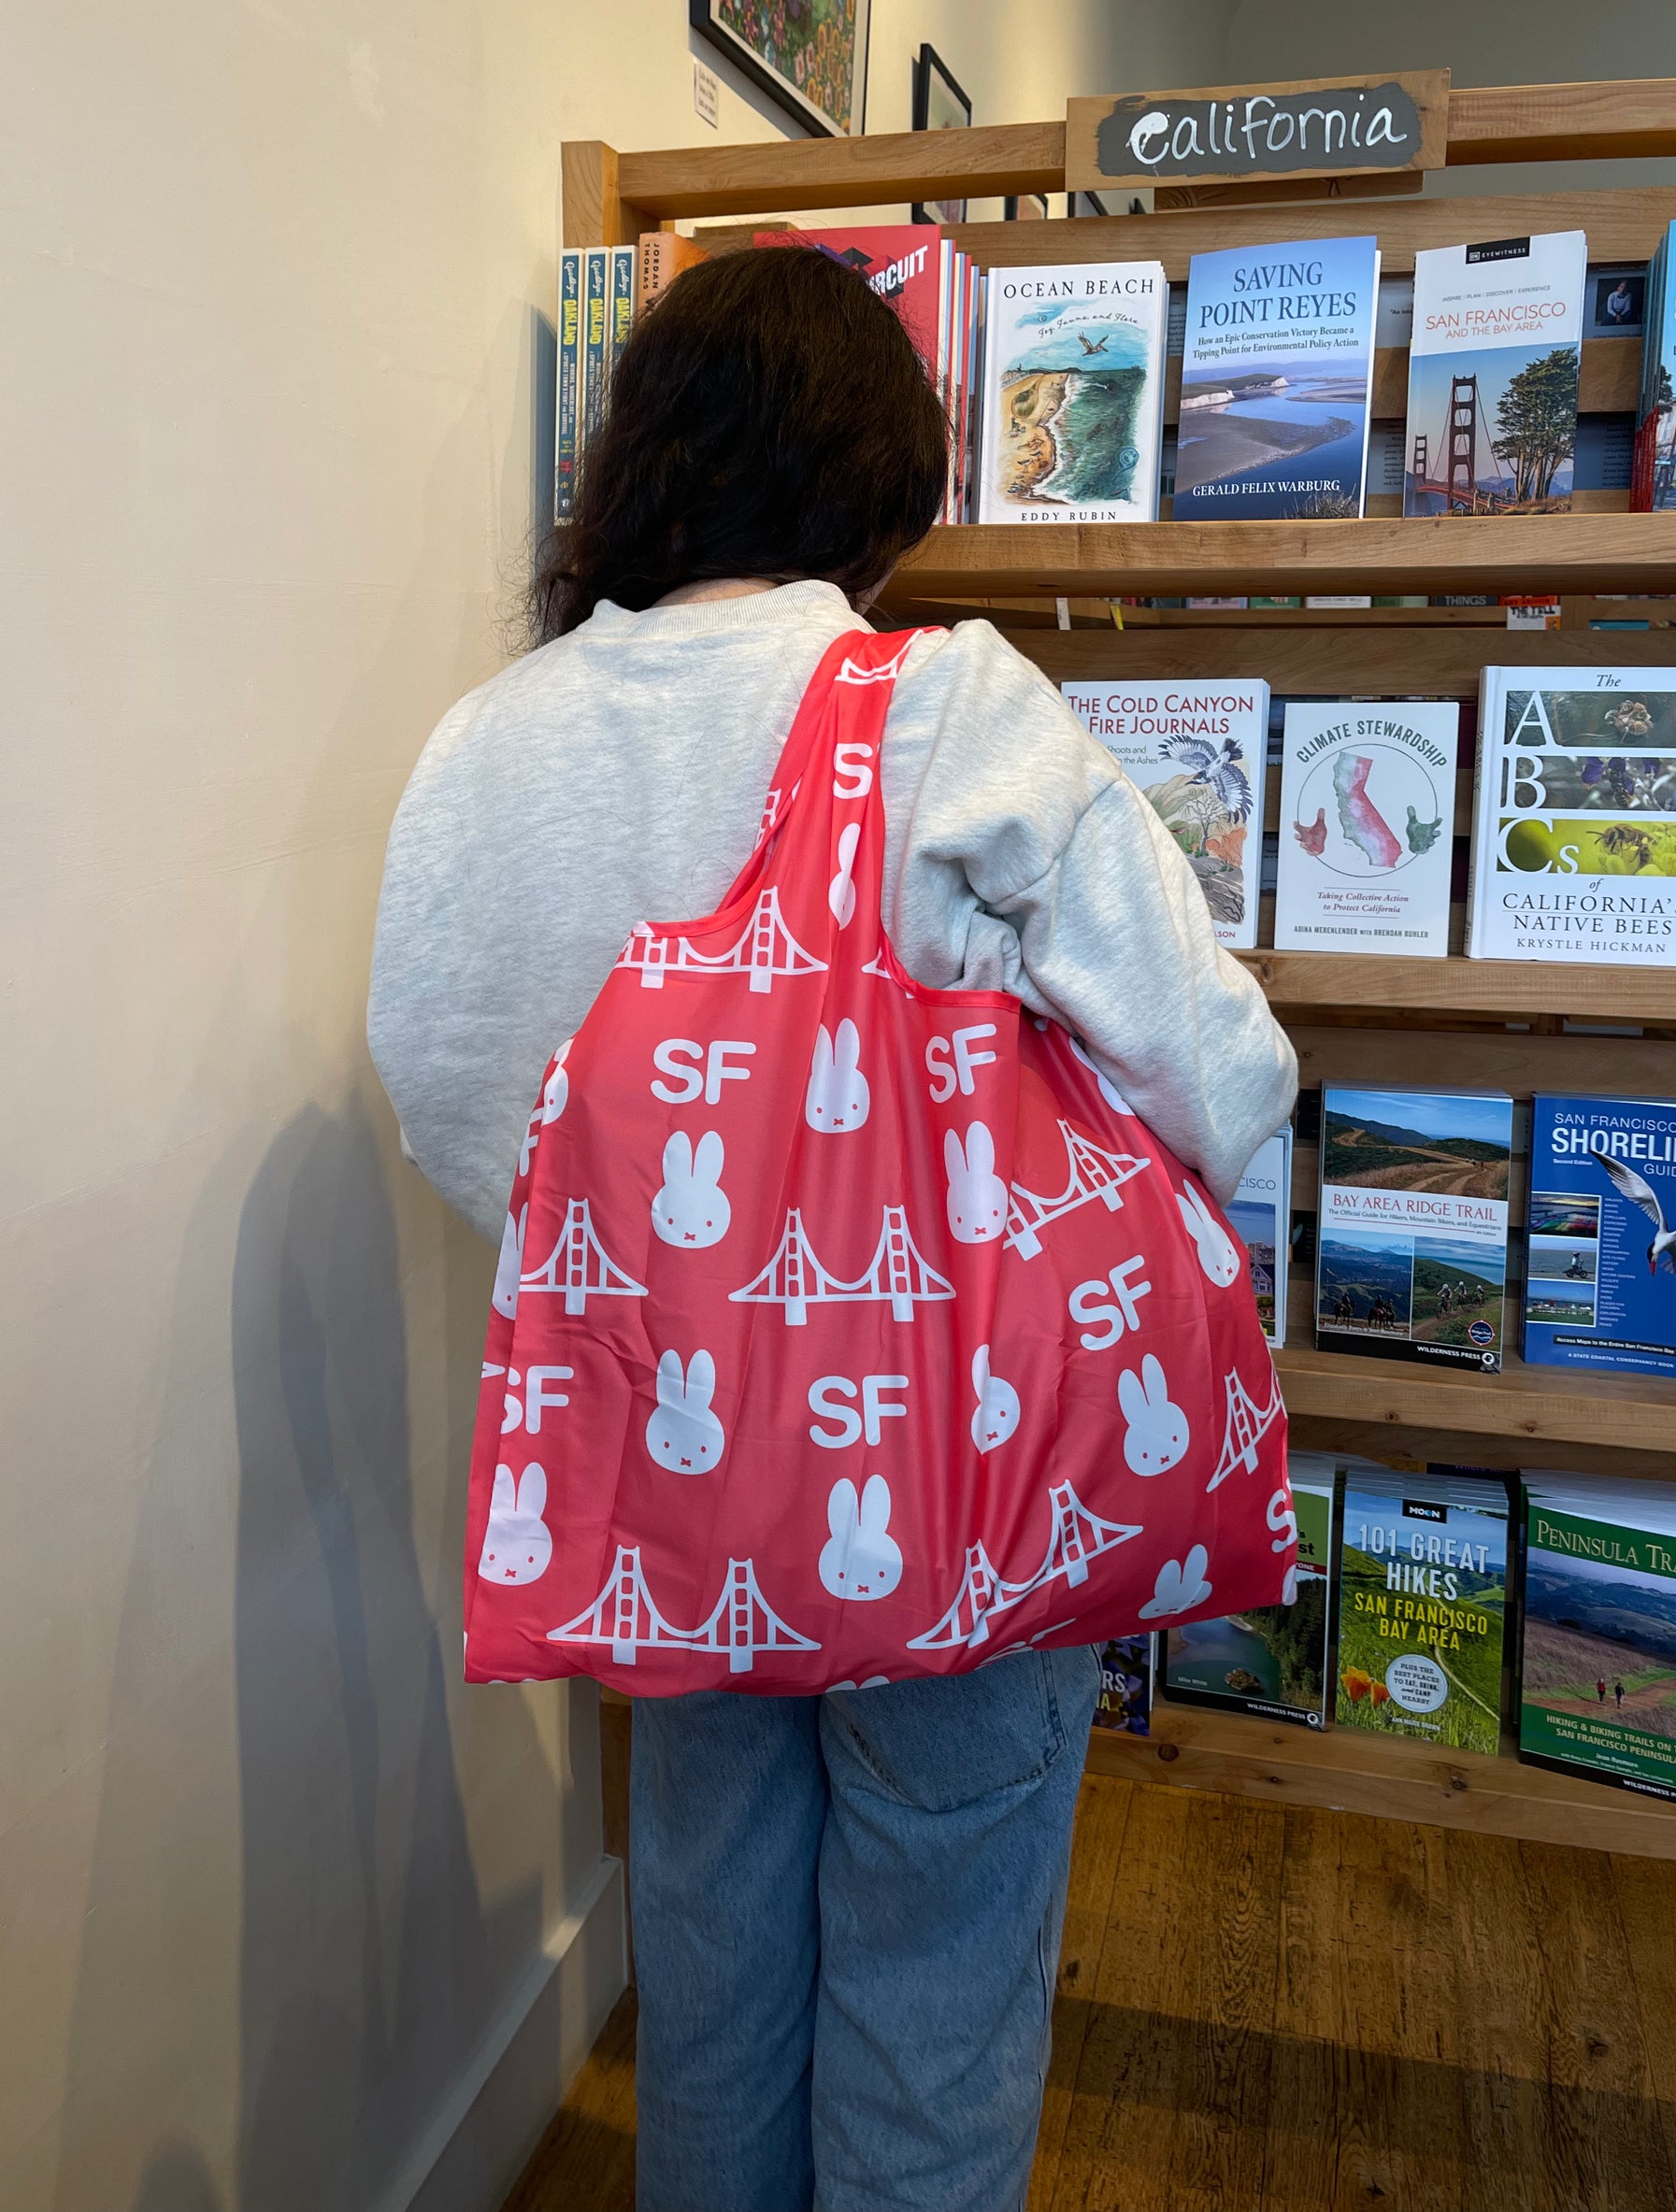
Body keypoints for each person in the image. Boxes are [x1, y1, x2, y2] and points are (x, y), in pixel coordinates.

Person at [366, 246, 1296, 2212]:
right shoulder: (943, 703)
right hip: (956, 1455)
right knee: (938, 1960)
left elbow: (448, 1083)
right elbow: (1216, 1057)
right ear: (877, 477)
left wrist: (666, 1288)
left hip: (672, 1470)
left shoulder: (486, 738)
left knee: (707, 1955)